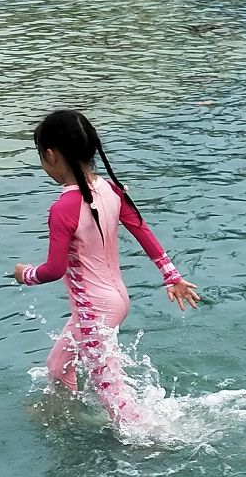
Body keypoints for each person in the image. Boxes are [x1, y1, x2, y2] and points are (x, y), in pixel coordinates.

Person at [12, 108, 199, 432]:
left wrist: (26, 275)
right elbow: (142, 230)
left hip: (93, 310)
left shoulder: (62, 208)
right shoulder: (111, 190)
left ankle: (155, 443)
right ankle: (65, 413)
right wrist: (171, 276)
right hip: (114, 300)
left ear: (52, 156)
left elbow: (54, 269)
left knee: (115, 399)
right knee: (57, 367)